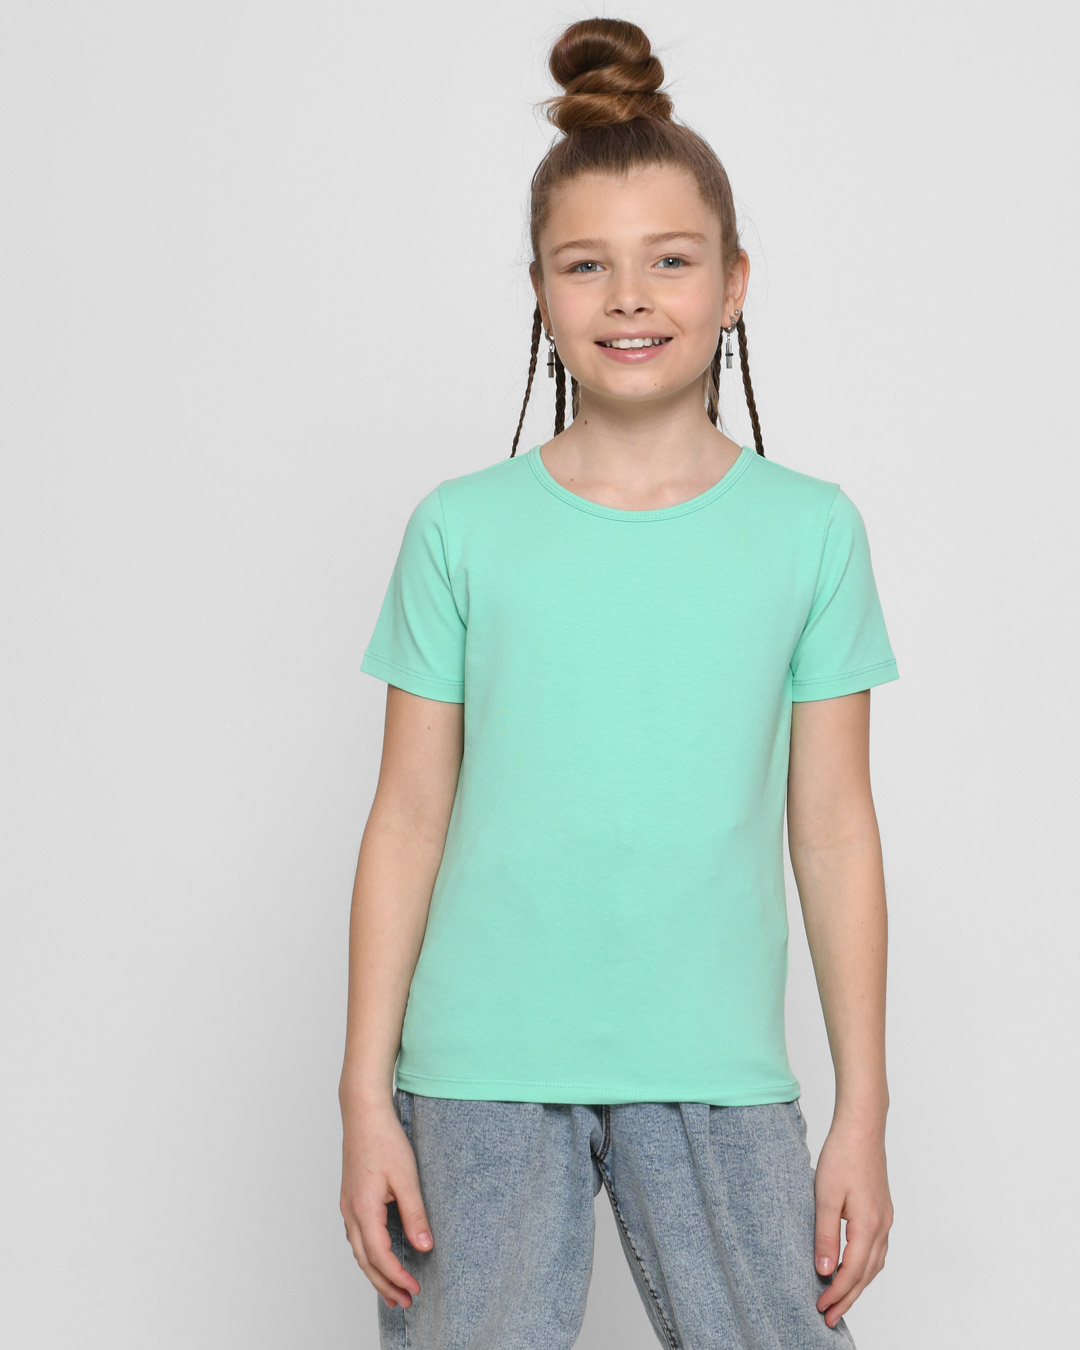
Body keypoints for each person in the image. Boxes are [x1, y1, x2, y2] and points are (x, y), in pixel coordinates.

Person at [339, 16, 898, 1349]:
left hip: (715, 1064)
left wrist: (864, 1109)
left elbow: (833, 830)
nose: (630, 297)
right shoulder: (460, 529)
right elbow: (407, 817)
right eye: (586, 264)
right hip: (477, 1069)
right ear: (540, 290)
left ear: (735, 282)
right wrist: (362, 1095)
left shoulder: (812, 531)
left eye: (671, 260)